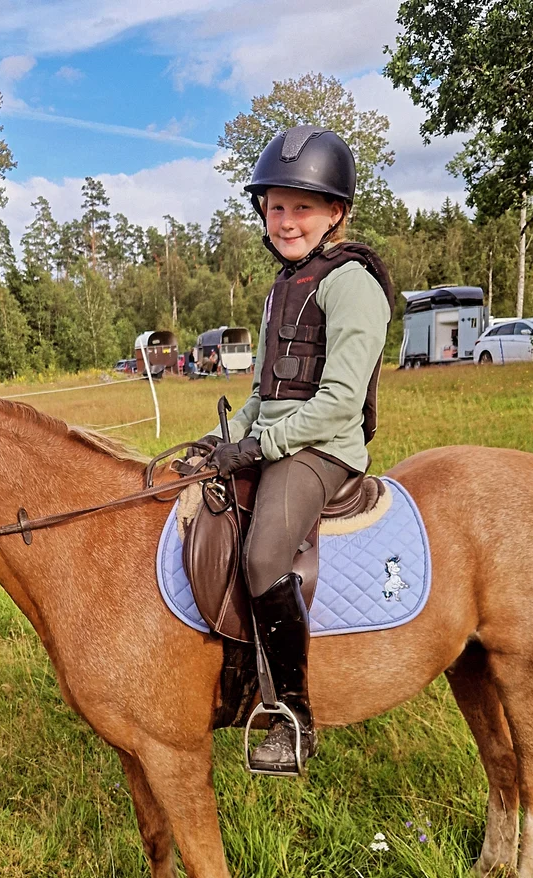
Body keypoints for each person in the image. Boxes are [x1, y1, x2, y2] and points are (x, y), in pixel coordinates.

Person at [195, 126, 393, 774]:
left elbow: (338, 400)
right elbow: (260, 393)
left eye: (302, 207)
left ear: (336, 212)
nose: (286, 221)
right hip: (276, 440)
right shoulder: (282, 288)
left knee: (263, 555)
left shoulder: (352, 283)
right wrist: (221, 440)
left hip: (324, 451)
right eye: (276, 206)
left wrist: (260, 445)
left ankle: (294, 718)